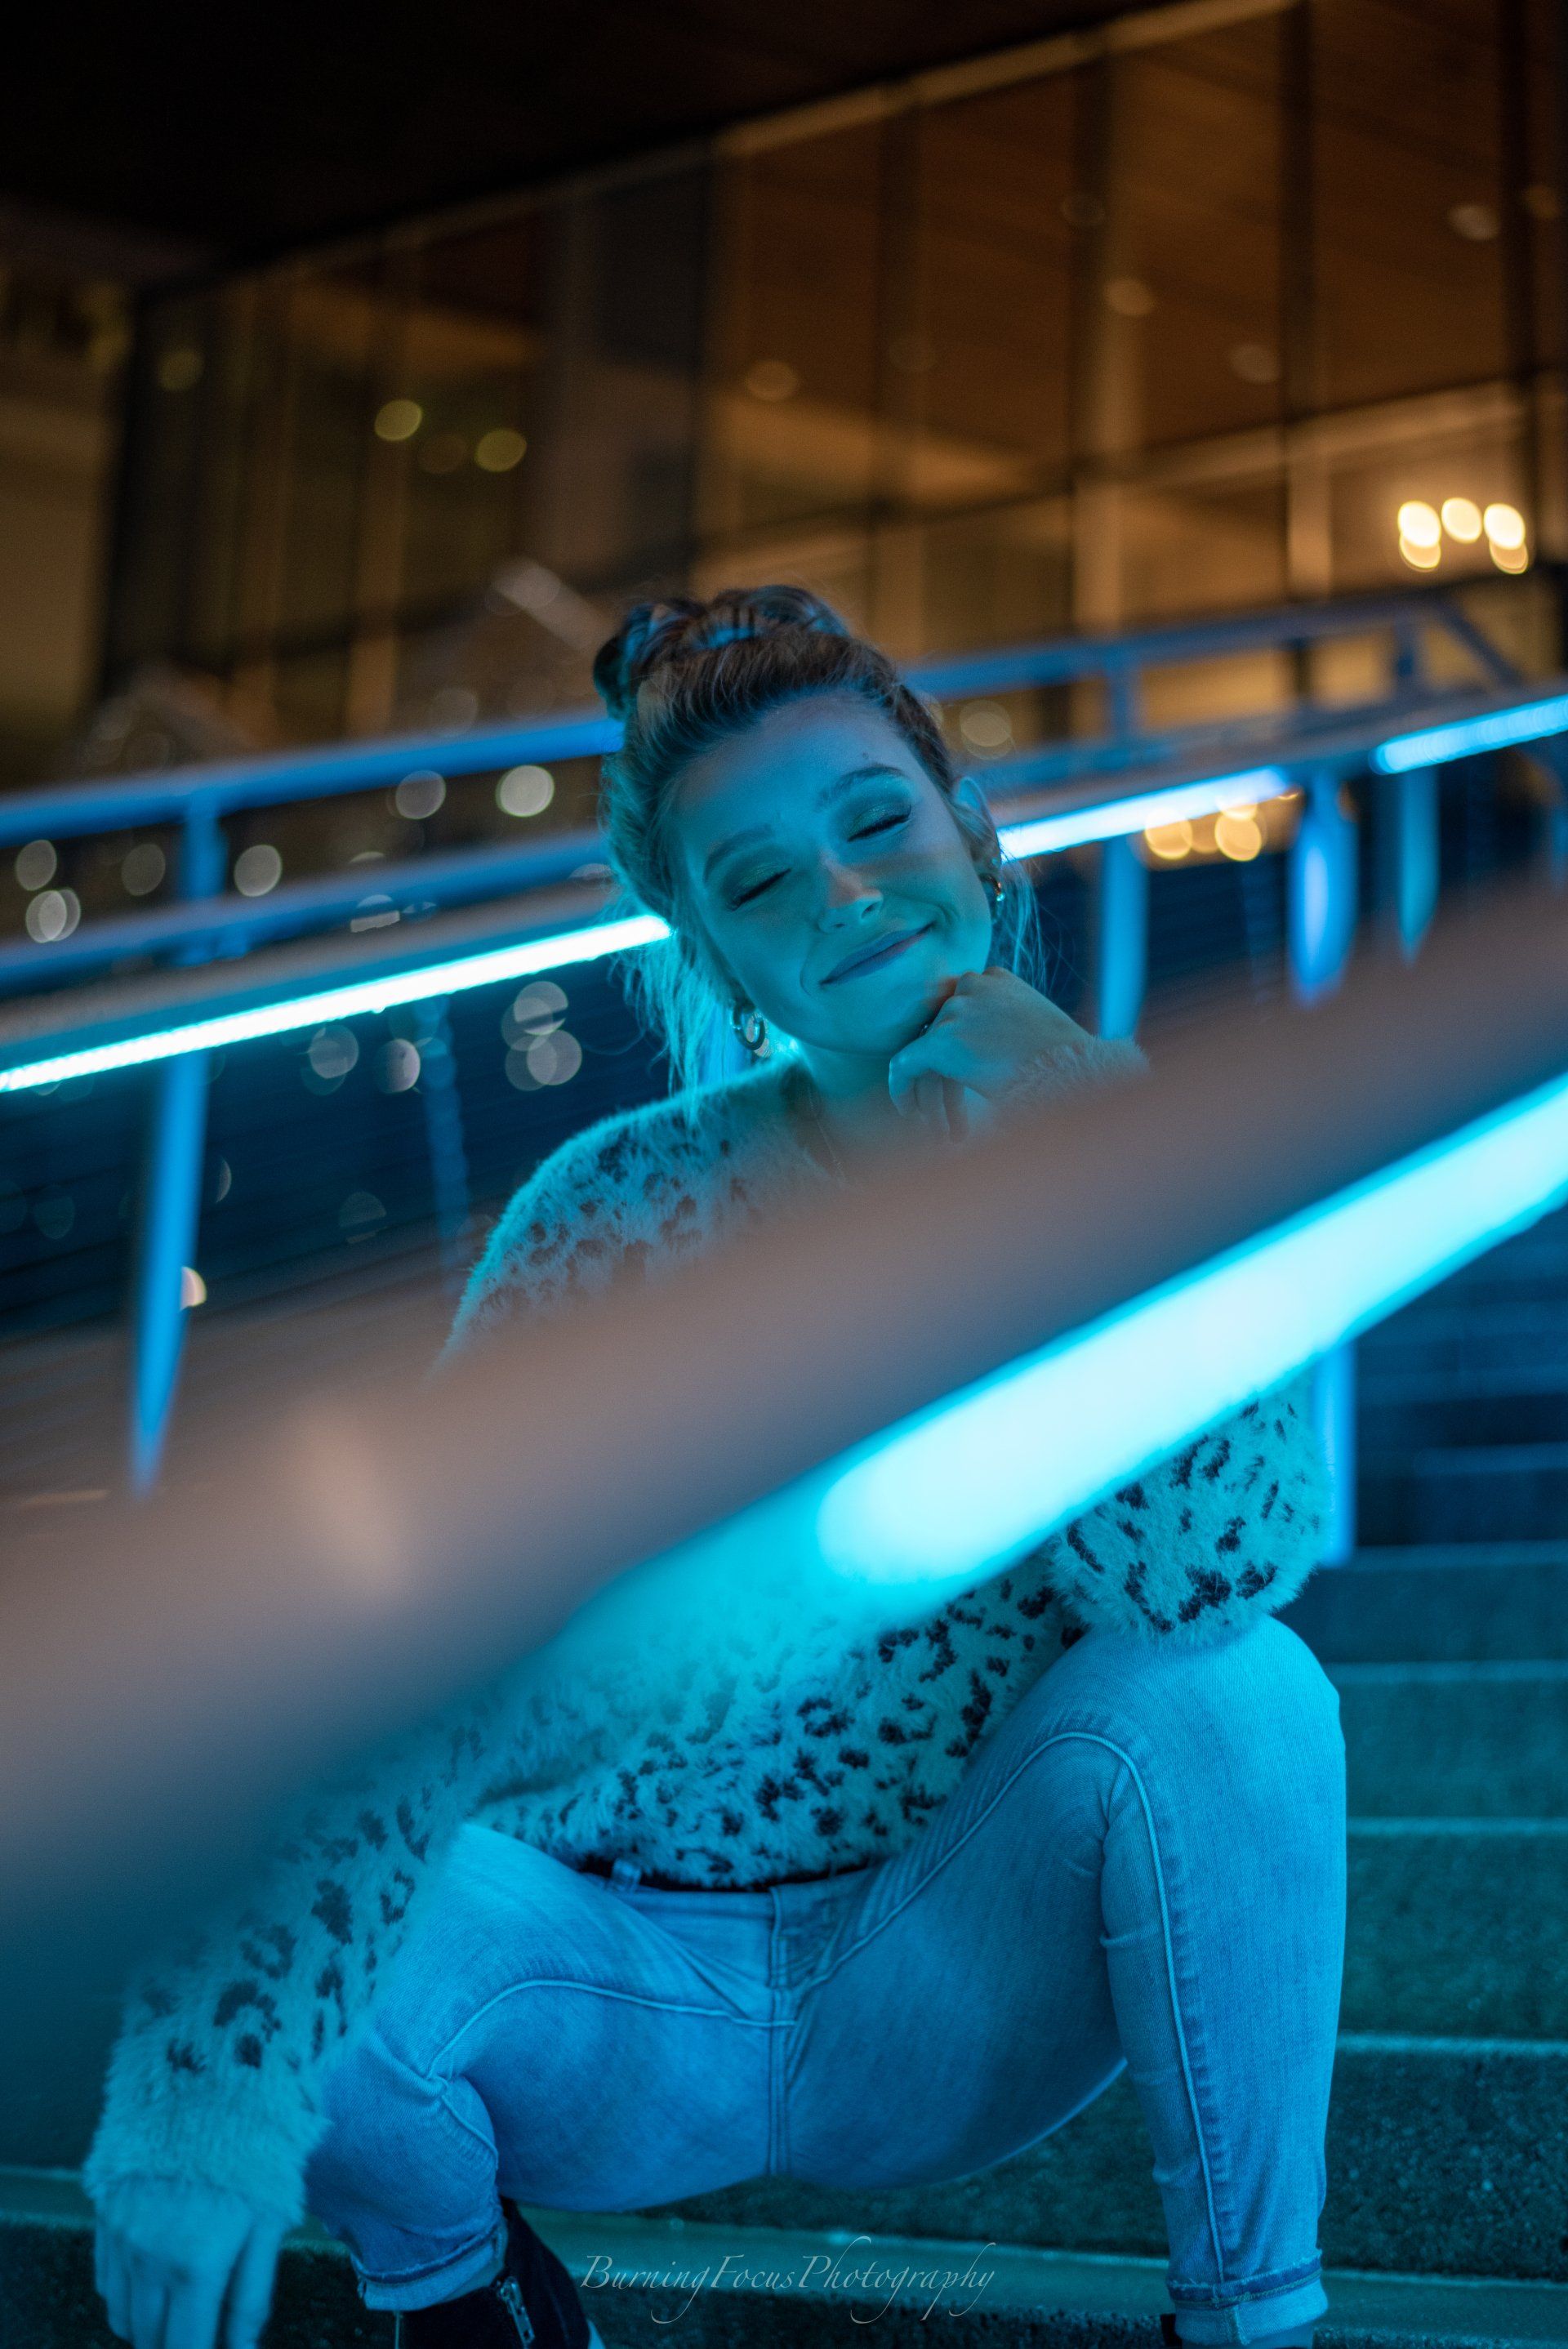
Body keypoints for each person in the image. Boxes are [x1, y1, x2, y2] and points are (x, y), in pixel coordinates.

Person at [87, 587, 1345, 2349]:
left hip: (954, 1973)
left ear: (973, 838)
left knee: (1243, 1692)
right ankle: (468, 2300)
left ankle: (1251, 2321)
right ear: (716, 959)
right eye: (757, 884)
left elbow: (1211, 1573)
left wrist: (1073, 1147)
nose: (841, 895)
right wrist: (202, 2085)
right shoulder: (607, 1213)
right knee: (304, 1926)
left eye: (875, 825)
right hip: (611, 1990)